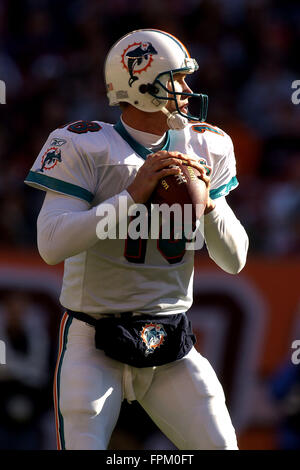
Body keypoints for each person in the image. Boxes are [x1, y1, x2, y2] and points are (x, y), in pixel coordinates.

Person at [24, 29, 249, 450]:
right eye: (175, 80)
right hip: (95, 340)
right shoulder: (84, 144)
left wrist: (210, 204)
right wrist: (131, 196)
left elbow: (235, 258)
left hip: (172, 340)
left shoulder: (206, 145)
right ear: (141, 87)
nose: (186, 90)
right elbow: (51, 244)